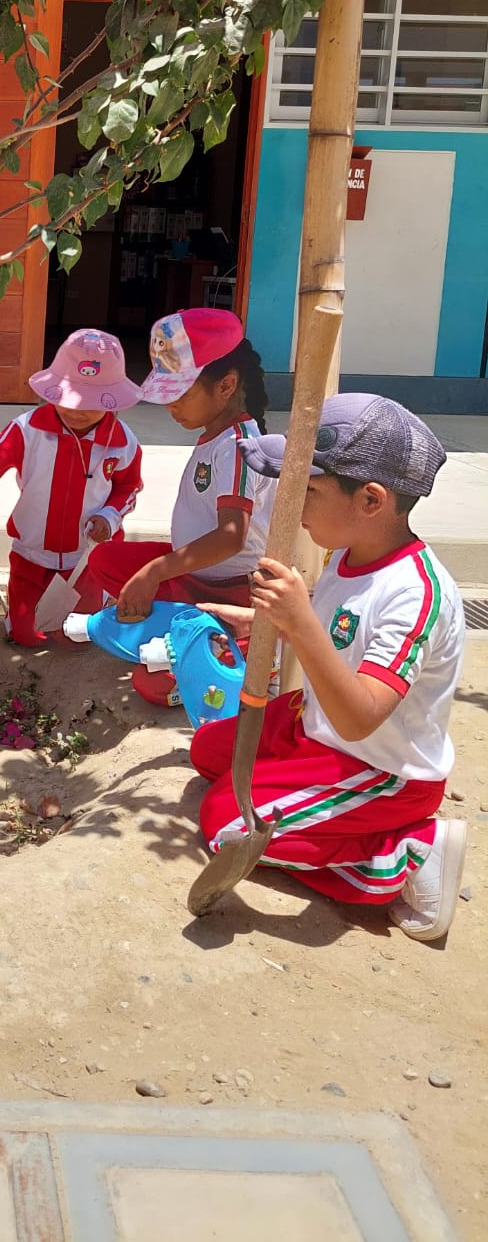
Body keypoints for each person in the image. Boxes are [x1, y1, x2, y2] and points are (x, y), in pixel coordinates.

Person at [193, 394, 466, 941]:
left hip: (379, 767)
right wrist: (269, 622)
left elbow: (360, 719)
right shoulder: (346, 553)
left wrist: (300, 622)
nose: (294, 507)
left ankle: (404, 857)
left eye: (309, 491)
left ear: (370, 500)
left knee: (225, 821)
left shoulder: (416, 593)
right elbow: (338, 633)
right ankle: (315, 807)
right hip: (317, 719)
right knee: (209, 752)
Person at [88, 307, 273, 704]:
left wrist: (156, 570)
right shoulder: (215, 434)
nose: (171, 407)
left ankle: (240, 647)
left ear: (226, 385)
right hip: (194, 577)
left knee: (152, 685)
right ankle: (184, 635)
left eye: (181, 395)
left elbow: (231, 536)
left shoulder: (239, 446)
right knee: (105, 561)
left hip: (229, 591)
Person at [0, 329, 143, 647]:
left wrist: (110, 516)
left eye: (90, 402)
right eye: (69, 398)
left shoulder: (123, 442)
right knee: (25, 635)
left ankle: (103, 603)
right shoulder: (28, 429)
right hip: (32, 554)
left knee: (75, 639)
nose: (77, 410)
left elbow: (129, 487)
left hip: (87, 558)